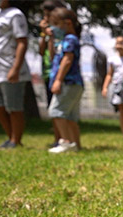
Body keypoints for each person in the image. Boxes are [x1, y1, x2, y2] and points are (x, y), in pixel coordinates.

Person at [0, 0, 31, 149]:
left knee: (14, 106)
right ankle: (10, 137)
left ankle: (15, 141)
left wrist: (15, 68)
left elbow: (22, 41)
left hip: (10, 68)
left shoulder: (16, 14)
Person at [47, 7, 83, 153]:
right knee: (70, 117)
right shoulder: (64, 41)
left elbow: (67, 60)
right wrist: (50, 38)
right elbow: (51, 56)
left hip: (68, 82)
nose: (53, 27)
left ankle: (66, 143)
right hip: (74, 84)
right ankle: (76, 145)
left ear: (67, 23)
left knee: (56, 111)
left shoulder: (70, 39)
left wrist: (58, 80)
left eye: (55, 23)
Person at [39, 0, 67, 147]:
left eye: (48, 15)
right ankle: (58, 139)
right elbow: (41, 51)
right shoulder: (48, 30)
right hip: (48, 72)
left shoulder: (63, 30)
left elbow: (53, 55)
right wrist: (44, 34)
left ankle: (64, 139)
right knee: (52, 106)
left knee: (59, 108)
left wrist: (50, 35)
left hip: (60, 73)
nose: (46, 18)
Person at [101, 36, 123, 138]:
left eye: (122, 43)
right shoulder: (112, 60)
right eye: (117, 43)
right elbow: (109, 74)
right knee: (121, 110)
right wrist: (105, 87)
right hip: (117, 86)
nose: (119, 45)